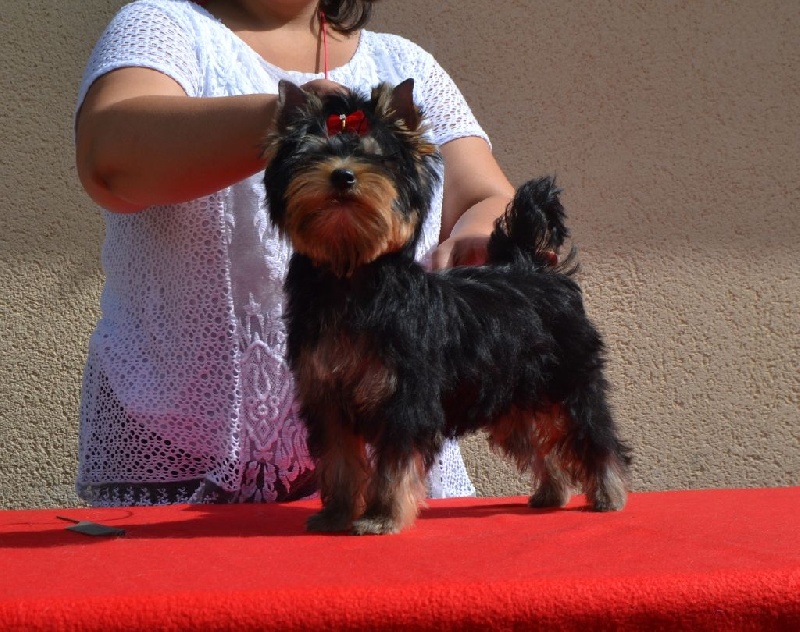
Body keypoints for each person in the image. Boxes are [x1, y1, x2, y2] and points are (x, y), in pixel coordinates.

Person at [74, 0, 516, 506]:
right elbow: (110, 159)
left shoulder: (404, 64)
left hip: (386, 464)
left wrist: (481, 233)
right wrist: (284, 120)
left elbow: (487, 197)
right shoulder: (162, 26)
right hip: (180, 451)